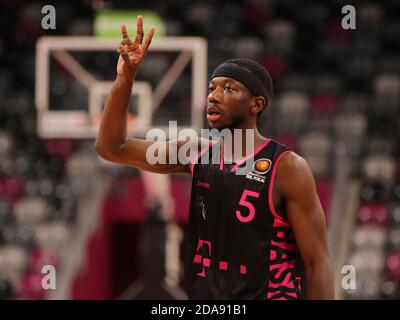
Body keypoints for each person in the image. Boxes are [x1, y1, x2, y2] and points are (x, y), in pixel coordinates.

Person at [95, 16, 334, 300]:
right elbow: (112, 147)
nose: (214, 96)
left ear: (256, 104)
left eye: (228, 88)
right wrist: (125, 78)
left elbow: (317, 262)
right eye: (212, 88)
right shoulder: (195, 152)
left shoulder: (287, 167)